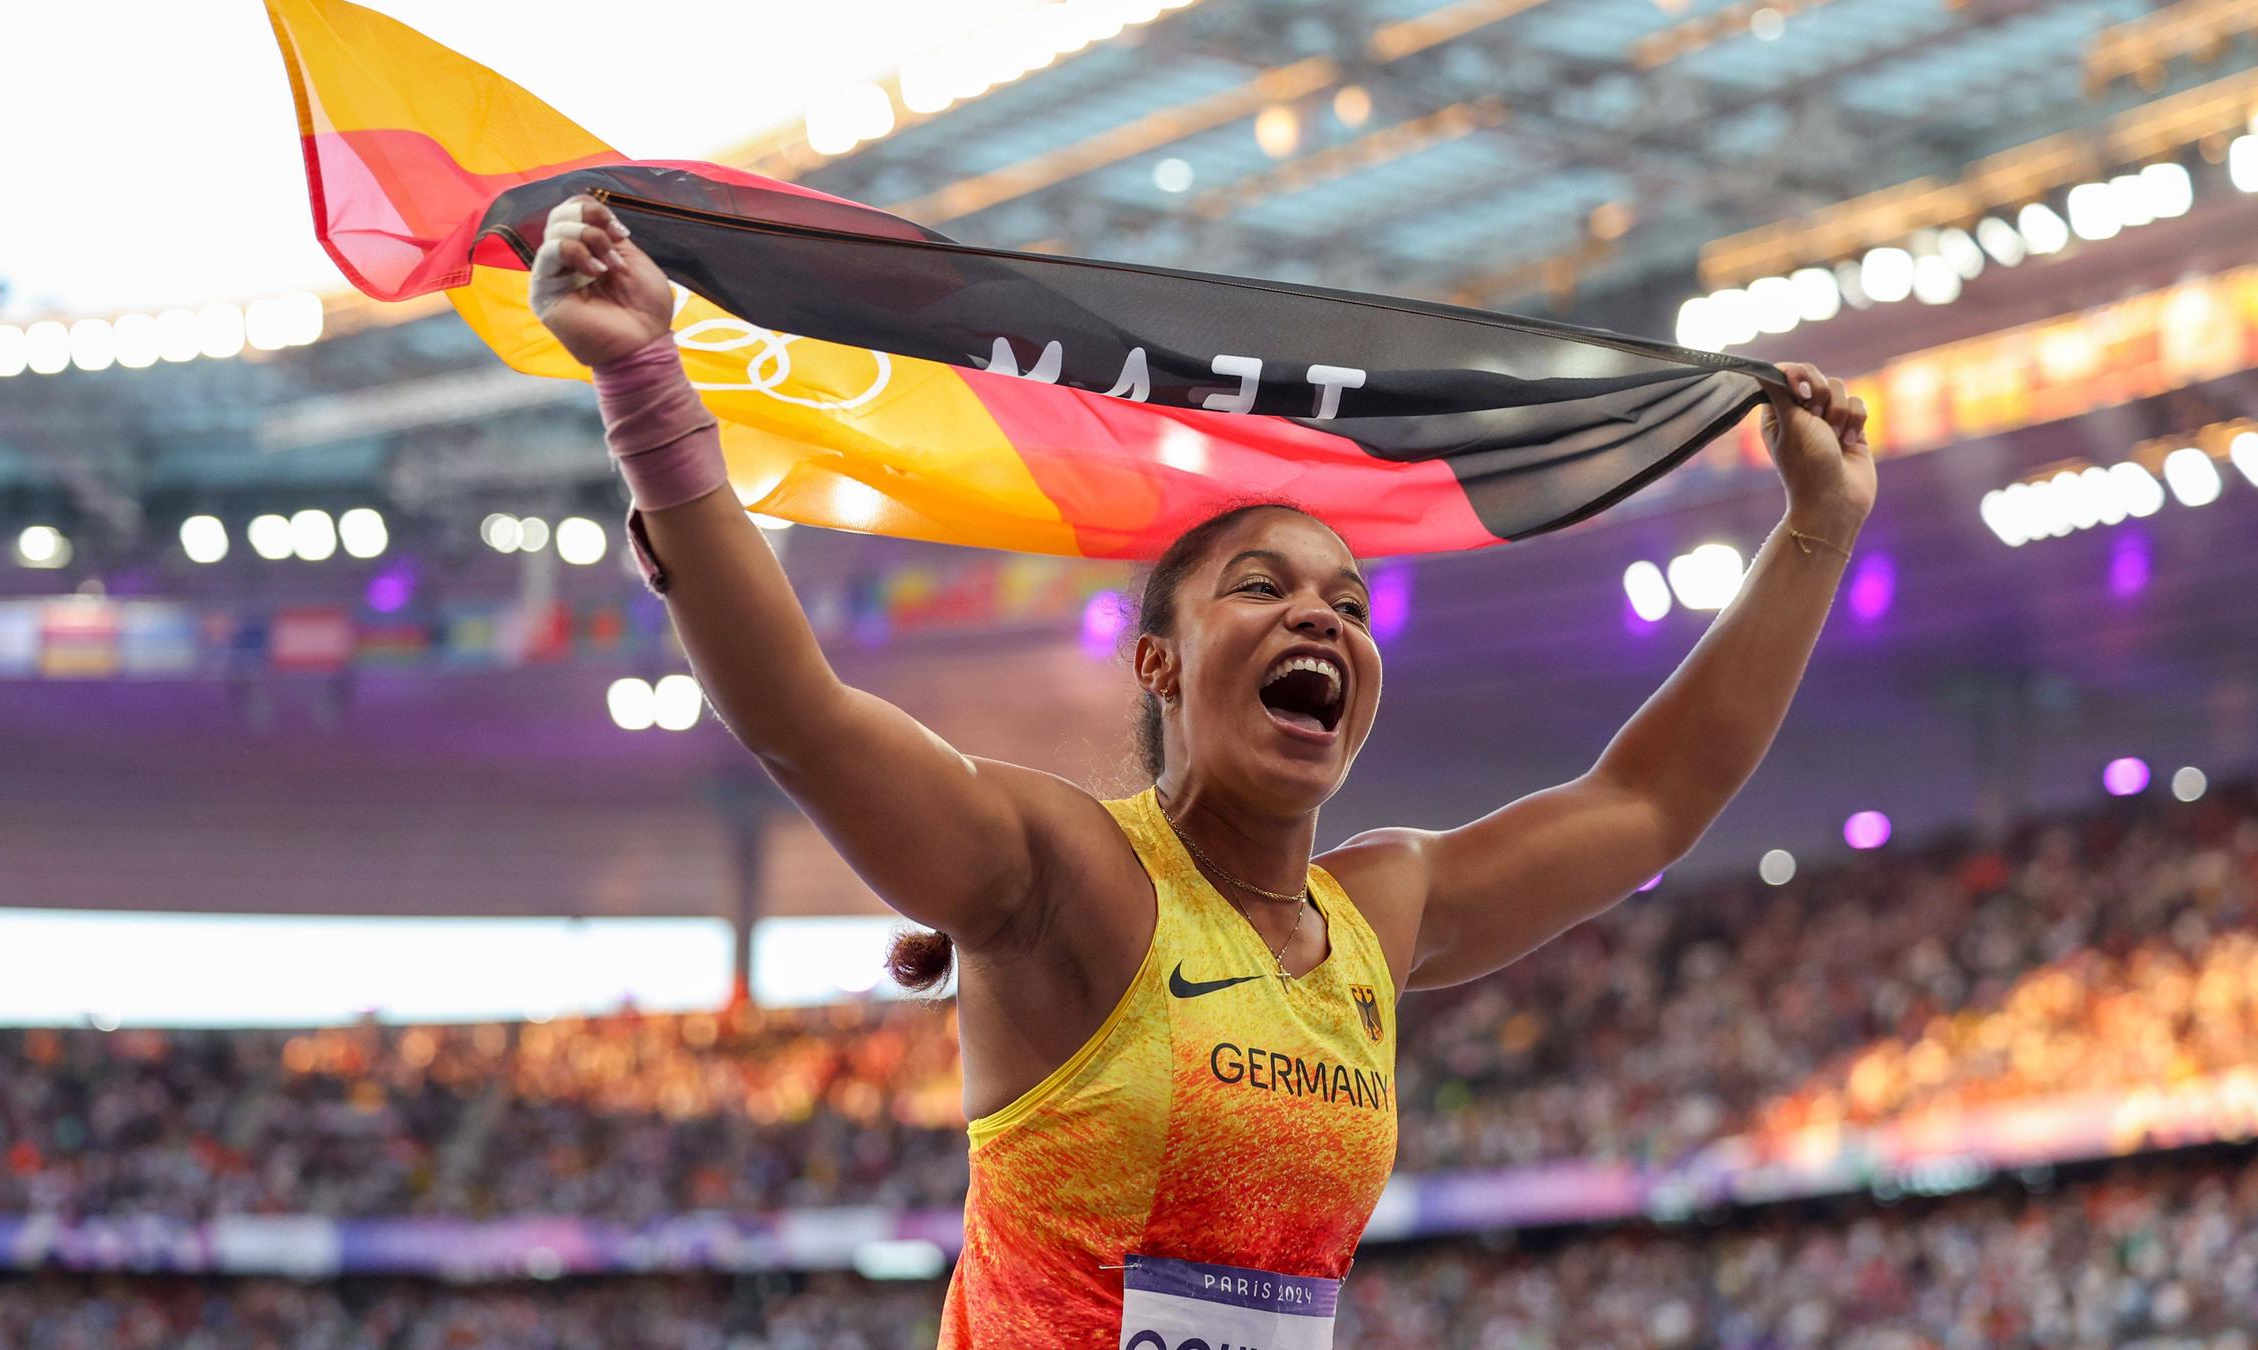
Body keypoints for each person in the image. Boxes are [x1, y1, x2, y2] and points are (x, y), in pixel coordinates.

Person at [528, 193, 1874, 1349]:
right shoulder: (1059, 877)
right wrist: (646, 385)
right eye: (1262, 588)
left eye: (1347, 603)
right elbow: (802, 719)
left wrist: (1819, 529)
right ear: (1158, 664)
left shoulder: (1377, 912)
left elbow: (1645, 804)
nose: (1319, 619)